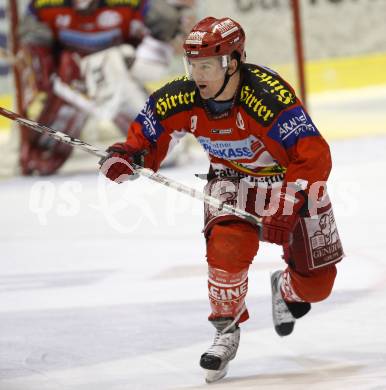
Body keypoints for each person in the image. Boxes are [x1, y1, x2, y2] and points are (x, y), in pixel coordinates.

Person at [100, 16, 345, 383]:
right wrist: (128, 156)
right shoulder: (181, 96)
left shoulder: (266, 97)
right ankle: (225, 330)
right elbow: (147, 137)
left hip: (289, 182)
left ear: (232, 62)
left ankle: (287, 288)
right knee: (226, 252)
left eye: (207, 66)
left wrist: (289, 199)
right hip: (231, 181)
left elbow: (313, 155)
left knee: (317, 286)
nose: (197, 75)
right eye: (192, 65)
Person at [15, 0, 194, 175]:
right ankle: (45, 148)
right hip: (72, 78)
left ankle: (154, 142)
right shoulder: (45, 6)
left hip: (117, 71)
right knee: (40, 160)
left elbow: (164, 28)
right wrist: (42, 65)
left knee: (110, 65)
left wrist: (141, 59)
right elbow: (33, 40)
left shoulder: (130, 4)